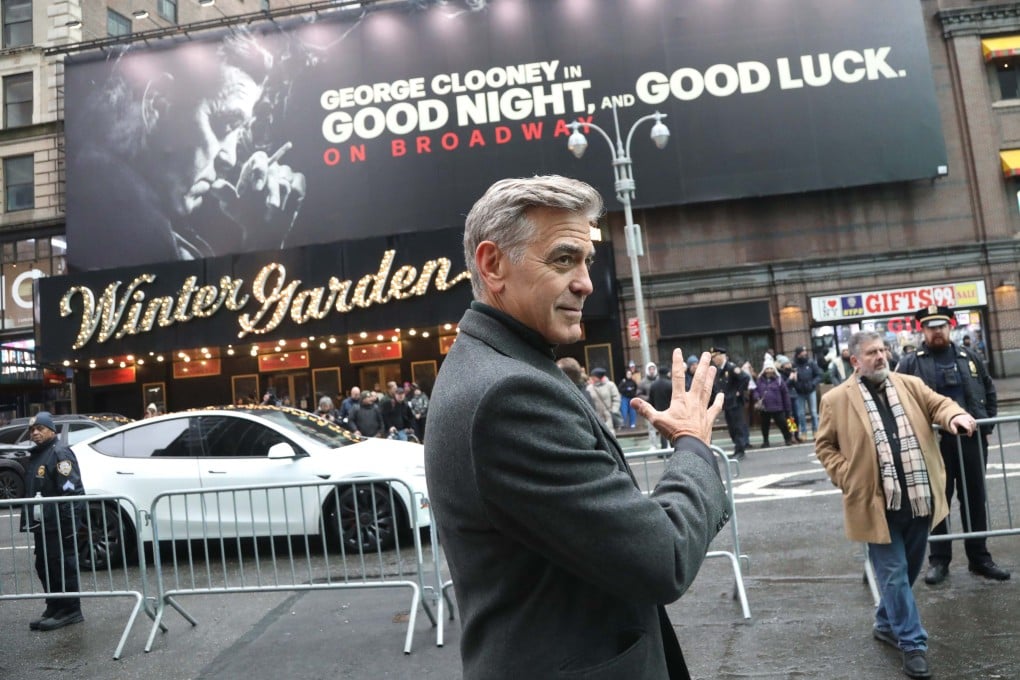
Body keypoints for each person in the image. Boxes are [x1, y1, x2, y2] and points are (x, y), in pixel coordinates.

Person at [424, 175, 730, 680]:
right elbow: (662, 556)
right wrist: (693, 446)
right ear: (493, 264)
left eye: (587, 260)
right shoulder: (510, 393)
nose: (586, 282)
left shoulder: (500, 366)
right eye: (563, 259)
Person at [66, 29, 307, 269]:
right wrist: (261, 242)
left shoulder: (127, 215)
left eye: (238, 134)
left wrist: (257, 234)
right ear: (158, 102)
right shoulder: (135, 234)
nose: (230, 158)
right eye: (224, 125)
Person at [815, 331, 977, 679]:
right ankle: (913, 644)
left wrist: (954, 417)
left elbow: (940, 404)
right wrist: (848, 476)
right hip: (875, 505)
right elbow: (825, 446)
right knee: (894, 576)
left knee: (906, 573)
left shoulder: (909, 384)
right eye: (871, 352)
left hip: (918, 501)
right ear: (854, 360)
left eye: (882, 350)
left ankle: (886, 623)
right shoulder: (835, 400)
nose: (881, 356)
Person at [896, 306, 1010, 584]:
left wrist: (986, 427)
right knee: (938, 500)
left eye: (941, 326)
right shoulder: (910, 363)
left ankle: (979, 558)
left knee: (975, 499)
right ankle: (939, 560)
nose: (937, 331)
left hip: (970, 441)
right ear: (922, 331)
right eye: (931, 327)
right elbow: (898, 401)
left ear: (950, 327)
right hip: (933, 444)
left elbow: (988, 390)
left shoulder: (969, 357)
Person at [20, 412, 86, 631]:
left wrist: (70, 527)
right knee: (45, 565)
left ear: (51, 430)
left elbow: (71, 491)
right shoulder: (40, 454)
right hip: (44, 523)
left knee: (61, 566)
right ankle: (55, 605)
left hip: (59, 524)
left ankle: (70, 610)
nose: (35, 433)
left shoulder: (59, 453)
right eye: (32, 430)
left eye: (40, 428)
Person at [710, 347, 751, 460]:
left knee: (738, 427)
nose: (714, 360)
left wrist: (739, 392)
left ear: (721, 356)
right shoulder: (720, 370)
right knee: (732, 428)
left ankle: (740, 450)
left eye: (715, 357)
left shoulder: (731, 367)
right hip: (727, 403)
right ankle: (737, 448)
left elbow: (745, 378)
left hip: (735, 403)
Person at [752, 358, 793, 447]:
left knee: (783, 423)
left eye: (771, 368)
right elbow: (756, 390)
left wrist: (787, 407)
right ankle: (765, 441)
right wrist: (757, 397)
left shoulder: (779, 380)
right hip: (764, 407)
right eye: (767, 368)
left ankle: (788, 438)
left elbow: (785, 393)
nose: (769, 370)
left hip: (777, 406)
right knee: (764, 426)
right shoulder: (759, 380)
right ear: (764, 370)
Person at [789, 346, 823, 438]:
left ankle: (815, 431)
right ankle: (799, 433)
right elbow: (790, 379)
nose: (804, 354)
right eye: (802, 352)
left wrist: (813, 383)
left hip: (810, 390)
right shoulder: (793, 365)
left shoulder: (810, 363)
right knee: (799, 414)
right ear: (798, 354)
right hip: (798, 393)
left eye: (805, 352)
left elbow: (819, 374)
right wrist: (795, 384)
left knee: (813, 412)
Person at [648, 363, 674, 448]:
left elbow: (651, 399)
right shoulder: (670, 384)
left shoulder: (654, 385)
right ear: (667, 373)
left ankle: (664, 448)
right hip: (670, 411)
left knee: (662, 431)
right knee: (671, 430)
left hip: (658, 411)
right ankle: (673, 448)